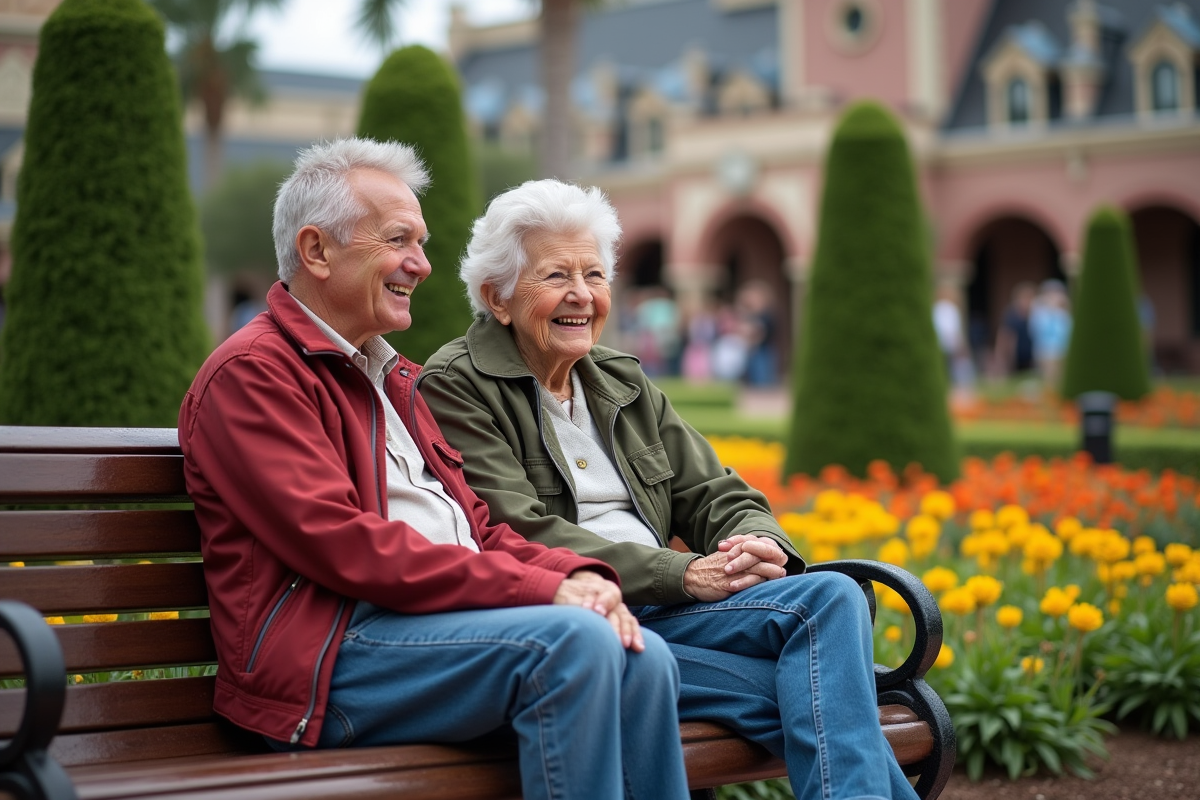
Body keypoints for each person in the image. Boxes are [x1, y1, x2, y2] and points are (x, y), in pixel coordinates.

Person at [177, 140, 690, 800]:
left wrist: (579, 576)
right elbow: (346, 546)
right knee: (572, 644)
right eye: (398, 240)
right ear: (316, 251)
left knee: (643, 660)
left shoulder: (393, 379)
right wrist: (542, 595)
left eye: (420, 243)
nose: (420, 265)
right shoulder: (253, 375)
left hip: (430, 635)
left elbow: (478, 530)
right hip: (333, 660)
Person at [420, 179, 920, 800]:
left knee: (831, 597)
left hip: (673, 611)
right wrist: (682, 574)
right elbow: (520, 530)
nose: (583, 295)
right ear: (497, 297)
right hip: (586, 623)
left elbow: (715, 490)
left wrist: (756, 544)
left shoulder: (621, 381)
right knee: (823, 693)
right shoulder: (455, 385)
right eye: (555, 277)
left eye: (595, 275)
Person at [1028, 279, 1072, 392]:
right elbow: (1034, 329)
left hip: (1063, 348)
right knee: (1049, 376)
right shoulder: (1039, 311)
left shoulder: (1065, 312)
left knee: (1062, 375)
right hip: (1045, 348)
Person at [993, 281, 1036, 377]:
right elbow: (1004, 337)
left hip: (1033, 356)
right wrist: (1000, 358)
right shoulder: (1011, 316)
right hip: (1016, 357)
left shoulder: (1038, 315)